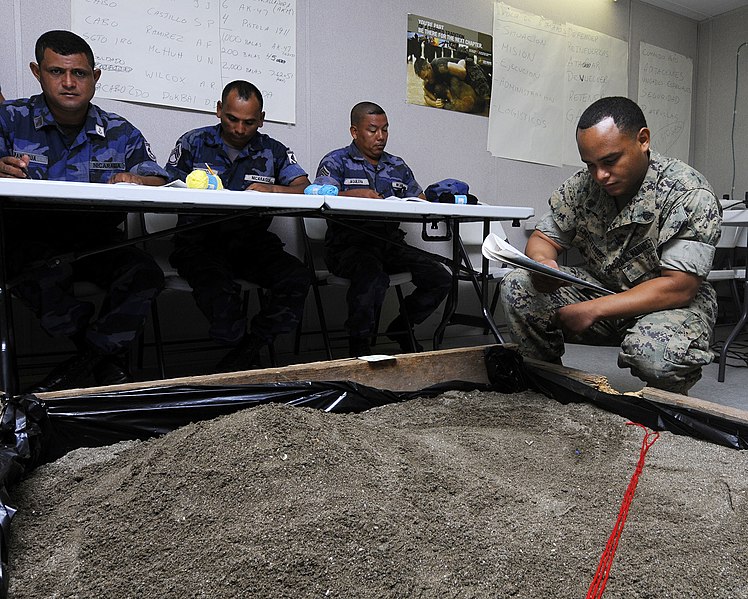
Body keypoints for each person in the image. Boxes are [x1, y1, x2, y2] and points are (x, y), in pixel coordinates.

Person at [500, 96, 722, 395]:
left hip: (669, 304)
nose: (600, 175)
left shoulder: (687, 191)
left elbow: (680, 287)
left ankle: (669, 401)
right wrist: (544, 264)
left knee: (656, 355)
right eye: (590, 165)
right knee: (518, 283)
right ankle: (547, 385)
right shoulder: (583, 186)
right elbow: (543, 239)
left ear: (642, 140)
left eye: (609, 161)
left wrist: (595, 309)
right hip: (603, 289)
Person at [0, 30, 168, 391]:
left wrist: (136, 180)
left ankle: (83, 361)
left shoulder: (118, 130)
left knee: (145, 274)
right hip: (30, 239)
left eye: (80, 73)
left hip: (98, 239)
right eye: (57, 72)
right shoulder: (9, 119)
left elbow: (159, 178)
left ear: (95, 77)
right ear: (36, 72)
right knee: (38, 278)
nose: (69, 83)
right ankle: (103, 361)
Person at [165, 80, 312, 372]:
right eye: (232, 118)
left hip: (251, 243)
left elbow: (304, 188)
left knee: (296, 276)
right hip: (199, 241)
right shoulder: (194, 142)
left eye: (249, 122)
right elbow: (166, 186)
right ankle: (241, 353)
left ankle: (250, 348)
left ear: (261, 119)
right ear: (219, 110)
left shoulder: (273, 150)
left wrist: (273, 191)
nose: (240, 129)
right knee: (219, 290)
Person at [313, 101, 451, 357]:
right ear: (355, 132)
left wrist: (426, 200)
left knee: (440, 277)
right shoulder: (336, 161)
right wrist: (353, 194)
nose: (380, 137)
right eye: (373, 130)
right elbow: (318, 195)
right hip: (349, 247)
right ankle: (359, 347)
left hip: (390, 245)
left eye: (385, 130)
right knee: (372, 277)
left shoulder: (397, 165)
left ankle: (401, 327)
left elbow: (418, 198)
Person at [414, 56, 491, 112]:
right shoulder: (427, 81)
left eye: (427, 76)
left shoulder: (440, 66)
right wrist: (434, 103)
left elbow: (462, 68)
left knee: (486, 94)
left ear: (429, 67)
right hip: (459, 79)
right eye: (424, 78)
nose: (426, 80)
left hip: (469, 69)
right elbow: (426, 96)